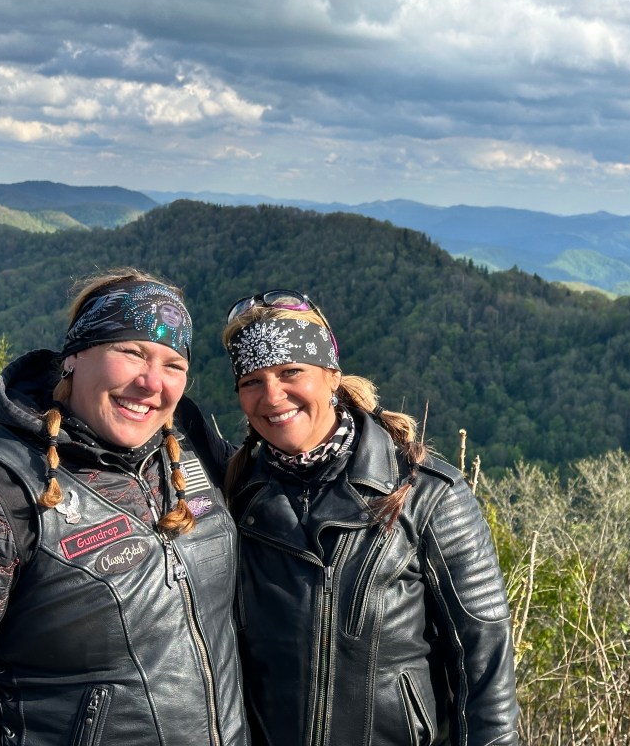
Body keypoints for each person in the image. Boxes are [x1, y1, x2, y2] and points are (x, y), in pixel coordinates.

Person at [0, 269, 249, 746]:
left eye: (173, 364)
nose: (152, 382)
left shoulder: (188, 447)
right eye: (131, 352)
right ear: (74, 357)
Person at [221, 289, 519, 746]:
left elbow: (484, 656)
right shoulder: (235, 494)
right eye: (251, 382)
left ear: (332, 376)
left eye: (291, 372)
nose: (273, 396)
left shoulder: (426, 494)